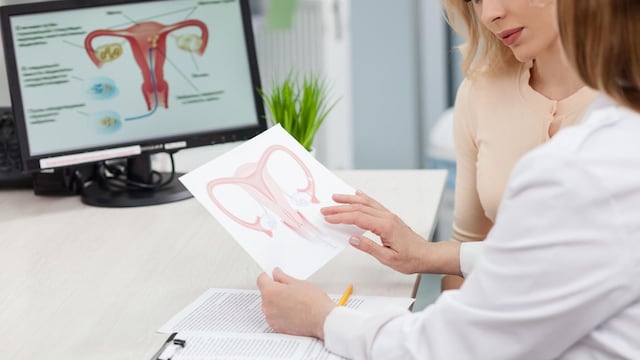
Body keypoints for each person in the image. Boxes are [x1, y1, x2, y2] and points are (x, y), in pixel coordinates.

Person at [257, 0, 640, 358]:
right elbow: (564, 258)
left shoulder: (580, 168)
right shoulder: (600, 140)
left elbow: (452, 346)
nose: (489, 13)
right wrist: (429, 255)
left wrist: (321, 318)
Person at [440, 0, 597, 289]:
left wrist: (427, 255)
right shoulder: (479, 92)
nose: (489, 15)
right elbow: (464, 251)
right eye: (475, 0)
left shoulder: (624, 99)